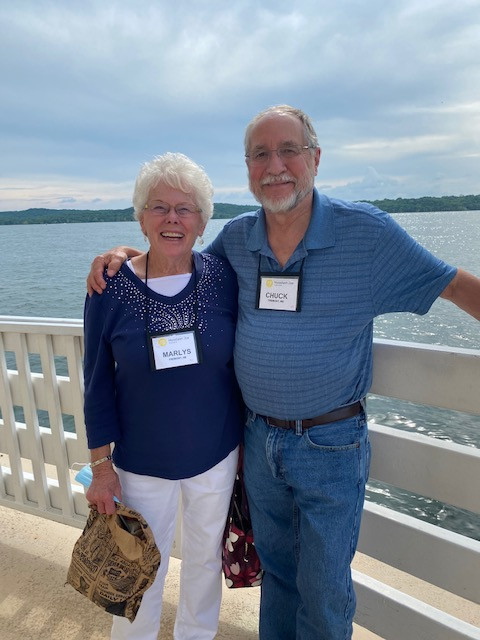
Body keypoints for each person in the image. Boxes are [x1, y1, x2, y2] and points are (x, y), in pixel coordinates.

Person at [87, 106, 480, 640]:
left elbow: (452, 284)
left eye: (288, 150)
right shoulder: (237, 241)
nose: (275, 166)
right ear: (248, 169)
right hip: (258, 442)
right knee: (277, 580)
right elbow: (173, 259)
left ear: (315, 158)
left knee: (323, 588)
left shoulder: (366, 233)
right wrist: (124, 255)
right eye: (260, 154)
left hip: (329, 445)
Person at [83, 152, 243, 640]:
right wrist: (101, 467)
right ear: (141, 216)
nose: (173, 218)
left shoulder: (224, 277)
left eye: (185, 208)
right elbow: (96, 382)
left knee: (204, 564)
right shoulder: (109, 288)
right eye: (159, 207)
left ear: (202, 221)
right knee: (137, 572)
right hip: (140, 463)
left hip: (216, 456)